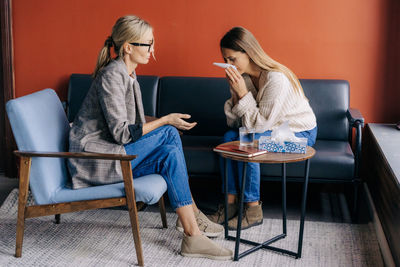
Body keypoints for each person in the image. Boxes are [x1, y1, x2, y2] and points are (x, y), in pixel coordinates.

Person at [67, 15, 232, 260]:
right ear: (128, 47)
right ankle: (192, 218)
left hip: (112, 154)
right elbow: (123, 133)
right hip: (93, 160)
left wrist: (165, 122)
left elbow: (132, 123)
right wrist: (165, 121)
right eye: (148, 44)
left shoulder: (128, 75)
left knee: (168, 150)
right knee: (167, 131)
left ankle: (192, 232)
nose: (152, 50)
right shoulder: (112, 76)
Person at [208, 27, 317, 230]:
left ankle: (252, 208)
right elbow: (234, 123)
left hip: (299, 136)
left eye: (232, 59)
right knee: (228, 138)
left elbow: (256, 126)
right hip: (270, 130)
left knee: (248, 142)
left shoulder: (276, 80)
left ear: (248, 53)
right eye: (225, 59)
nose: (228, 65)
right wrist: (236, 93)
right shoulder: (246, 78)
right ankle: (230, 204)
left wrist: (242, 95)